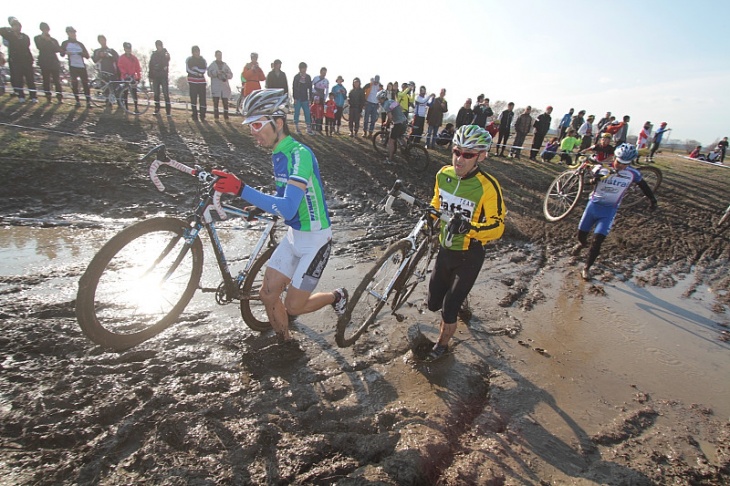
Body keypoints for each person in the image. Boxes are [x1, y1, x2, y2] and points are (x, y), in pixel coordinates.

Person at [210, 89, 348, 347]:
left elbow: (287, 208)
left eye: (258, 124)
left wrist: (241, 189)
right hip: (294, 236)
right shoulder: (278, 154)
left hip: (316, 240)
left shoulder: (299, 154)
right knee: (267, 294)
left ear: (279, 123)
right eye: (250, 125)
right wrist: (262, 207)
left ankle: (336, 296)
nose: (253, 131)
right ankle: (286, 343)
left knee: (293, 306)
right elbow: (284, 195)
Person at [424, 125, 506, 362]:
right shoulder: (443, 174)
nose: (459, 159)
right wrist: (430, 216)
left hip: (469, 254)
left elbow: (498, 226)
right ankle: (460, 296)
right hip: (445, 248)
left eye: (468, 155)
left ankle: (441, 347)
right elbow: (437, 202)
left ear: (482, 156)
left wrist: (471, 229)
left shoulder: (488, 186)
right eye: (456, 151)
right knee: (432, 304)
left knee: (449, 309)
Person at [571, 143, 657, 281]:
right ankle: (582, 244)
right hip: (593, 206)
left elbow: (644, 186)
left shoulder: (632, 174)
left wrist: (653, 200)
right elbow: (584, 181)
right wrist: (593, 180)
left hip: (609, 211)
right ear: (615, 158)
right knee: (581, 235)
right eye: (619, 162)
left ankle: (586, 268)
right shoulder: (602, 168)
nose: (621, 166)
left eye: (625, 163)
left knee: (598, 241)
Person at [0, 17, 38, 103]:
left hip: (26, 60)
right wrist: (10, 28)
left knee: (30, 79)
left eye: (18, 26)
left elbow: (26, 46)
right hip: (16, 61)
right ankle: (21, 96)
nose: (17, 27)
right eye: (15, 26)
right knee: (19, 79)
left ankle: (33, 96)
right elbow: (1, 30)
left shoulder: (25, 36)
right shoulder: (10, 36)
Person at [60, 26, 91, 108]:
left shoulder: (80, 44)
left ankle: (88, 102)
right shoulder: (65, 43)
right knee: (74, 83)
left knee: (85, 83)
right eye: (71, 32)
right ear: (68, 33)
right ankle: (77, 101)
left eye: (74, 32)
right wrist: (67, 52)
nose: (73, 34)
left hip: (81, 65)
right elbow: (61, 53)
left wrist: (82, 54)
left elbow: (87, 56)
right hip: (73, 65)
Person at [34, 22, 63, 103]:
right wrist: (44, 40)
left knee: (56, 80)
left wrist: (50, 41)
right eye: (44, 29)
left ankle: (59, 96)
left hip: (53, 61)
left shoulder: (53, 40)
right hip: (44, 61)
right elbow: (39, 47)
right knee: (46, 80)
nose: (46, 31)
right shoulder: (37, 38)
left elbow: (57, 49)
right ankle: (48, 96)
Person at [377, 89, 407, 164]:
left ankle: (390, 159)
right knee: (400, 136)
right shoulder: (392, 101)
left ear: (382, 98)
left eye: (379, 99)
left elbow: (390, 117)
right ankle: (407, 149)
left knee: (391, 140)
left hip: (398, 123)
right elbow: (400, 108)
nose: (379, 101)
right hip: (404, 121)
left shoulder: (386, 104)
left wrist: (387, 123)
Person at [207, 50, 233, 120]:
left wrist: (225, 74)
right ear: (215, 56)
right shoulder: (212, 65)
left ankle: (226, 117)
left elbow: (231, 75)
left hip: (224, 86)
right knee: (215, 102)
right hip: (215, 86)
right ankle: (216, 117)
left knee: (225, 103)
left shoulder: (225, 65)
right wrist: (216, 72)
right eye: (218, 55)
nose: (219, 56)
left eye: (220, 55)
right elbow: (209, 73)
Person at [117, 42, 141, 113]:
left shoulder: (134, 58)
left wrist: (138, 77)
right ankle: (126, 107)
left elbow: (138, 68)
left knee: (134, 92)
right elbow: (120, 66)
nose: (128, 50)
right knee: (125, 92)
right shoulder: (121, 58)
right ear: (124, 49)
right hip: (125, 77)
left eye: (129, 48)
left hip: (132, 77)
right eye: (127, 48)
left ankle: (136, 107)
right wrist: (125, 73)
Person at [148, 40, 171, 116]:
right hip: (155, 76)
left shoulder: (165, 53)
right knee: (156, 94)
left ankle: (168, 111)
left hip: (163, 76)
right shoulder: (154, 55)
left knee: (166, 94)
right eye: (157, 45)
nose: (158, 47)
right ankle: (157, 109)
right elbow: (151, 65)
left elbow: (167, 60)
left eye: (160, 45)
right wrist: (150, 76)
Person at [186, 45, 207, 120]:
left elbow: (204, 70)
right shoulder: (189, 59)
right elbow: (188, 69)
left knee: (202, 99)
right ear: (192, 52)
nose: (197, 53)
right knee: (193, 98)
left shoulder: (203, 60)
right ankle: (194, 114)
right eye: (195, 52)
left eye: (198, 51)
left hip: (201, 82)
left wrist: (196, 69)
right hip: (192, 81)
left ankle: (203, 115)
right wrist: (196, 73)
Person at [292, 62, 313, 135]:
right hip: (297, 98)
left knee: (307, 113)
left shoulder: (308, 77)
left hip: (305, 98)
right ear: (300, 68)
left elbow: (310, 88)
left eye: (305, 68)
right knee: (297, 112)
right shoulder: (296, 77)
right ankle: (297, 127)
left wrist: (310, 98)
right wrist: (294, 97)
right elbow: (294, 87)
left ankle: (308, 128)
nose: (304, 70)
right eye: (303, 68)